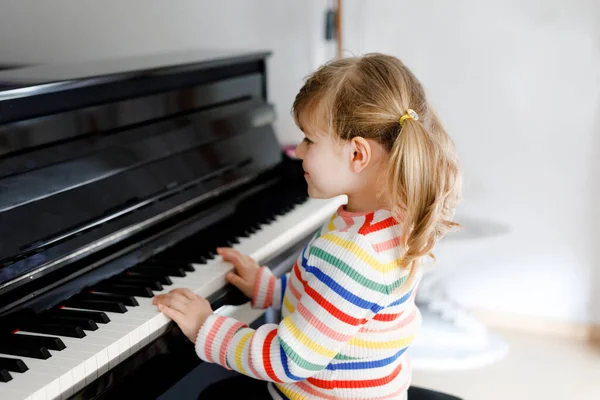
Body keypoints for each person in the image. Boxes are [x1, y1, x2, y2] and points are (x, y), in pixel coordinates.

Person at [152, 53, 462, 400]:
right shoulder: (384, 220)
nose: (297, 150)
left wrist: (204, 328)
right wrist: (268, 289)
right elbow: (328, 304)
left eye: (309, 140)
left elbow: (289, 360)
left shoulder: (356, 252)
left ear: (358, 155)